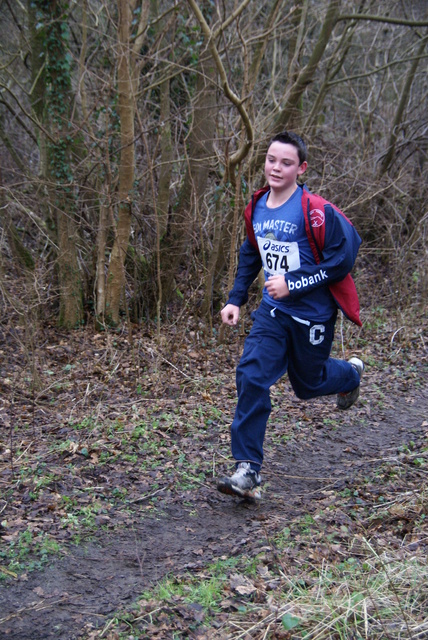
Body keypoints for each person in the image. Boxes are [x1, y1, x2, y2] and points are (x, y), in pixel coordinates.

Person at [217, 131, 364, 500]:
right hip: (273, 313)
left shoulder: (316, 211)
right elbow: (251, 252)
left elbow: (342, 259)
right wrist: (236, 299)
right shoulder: (257, 207)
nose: (276, 167)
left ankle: (350, 374)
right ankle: (247, 469)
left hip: (312, 315)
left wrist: (294, 284)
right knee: (251, 375)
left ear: (301, 168)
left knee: (307, 385)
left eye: (286, 162)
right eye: (271, 159)